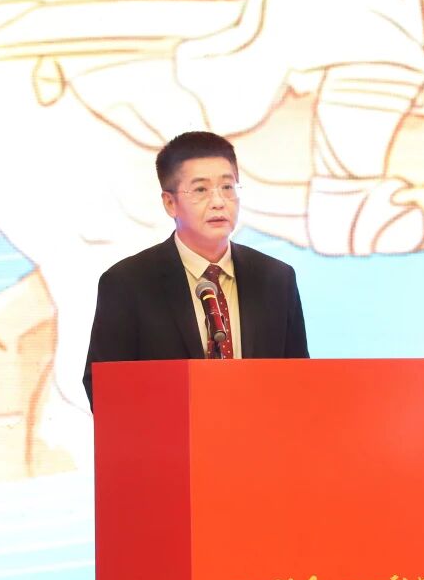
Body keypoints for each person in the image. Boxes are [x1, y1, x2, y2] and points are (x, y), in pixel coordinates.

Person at [82, 131, 309, 407]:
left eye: (228, 187)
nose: (218, 201)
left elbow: (299, 382)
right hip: (167, 434)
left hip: (258, 433)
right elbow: (105, 389)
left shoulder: (276, 279)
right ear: (170, 203)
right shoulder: (128, 283)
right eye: (201, 190)